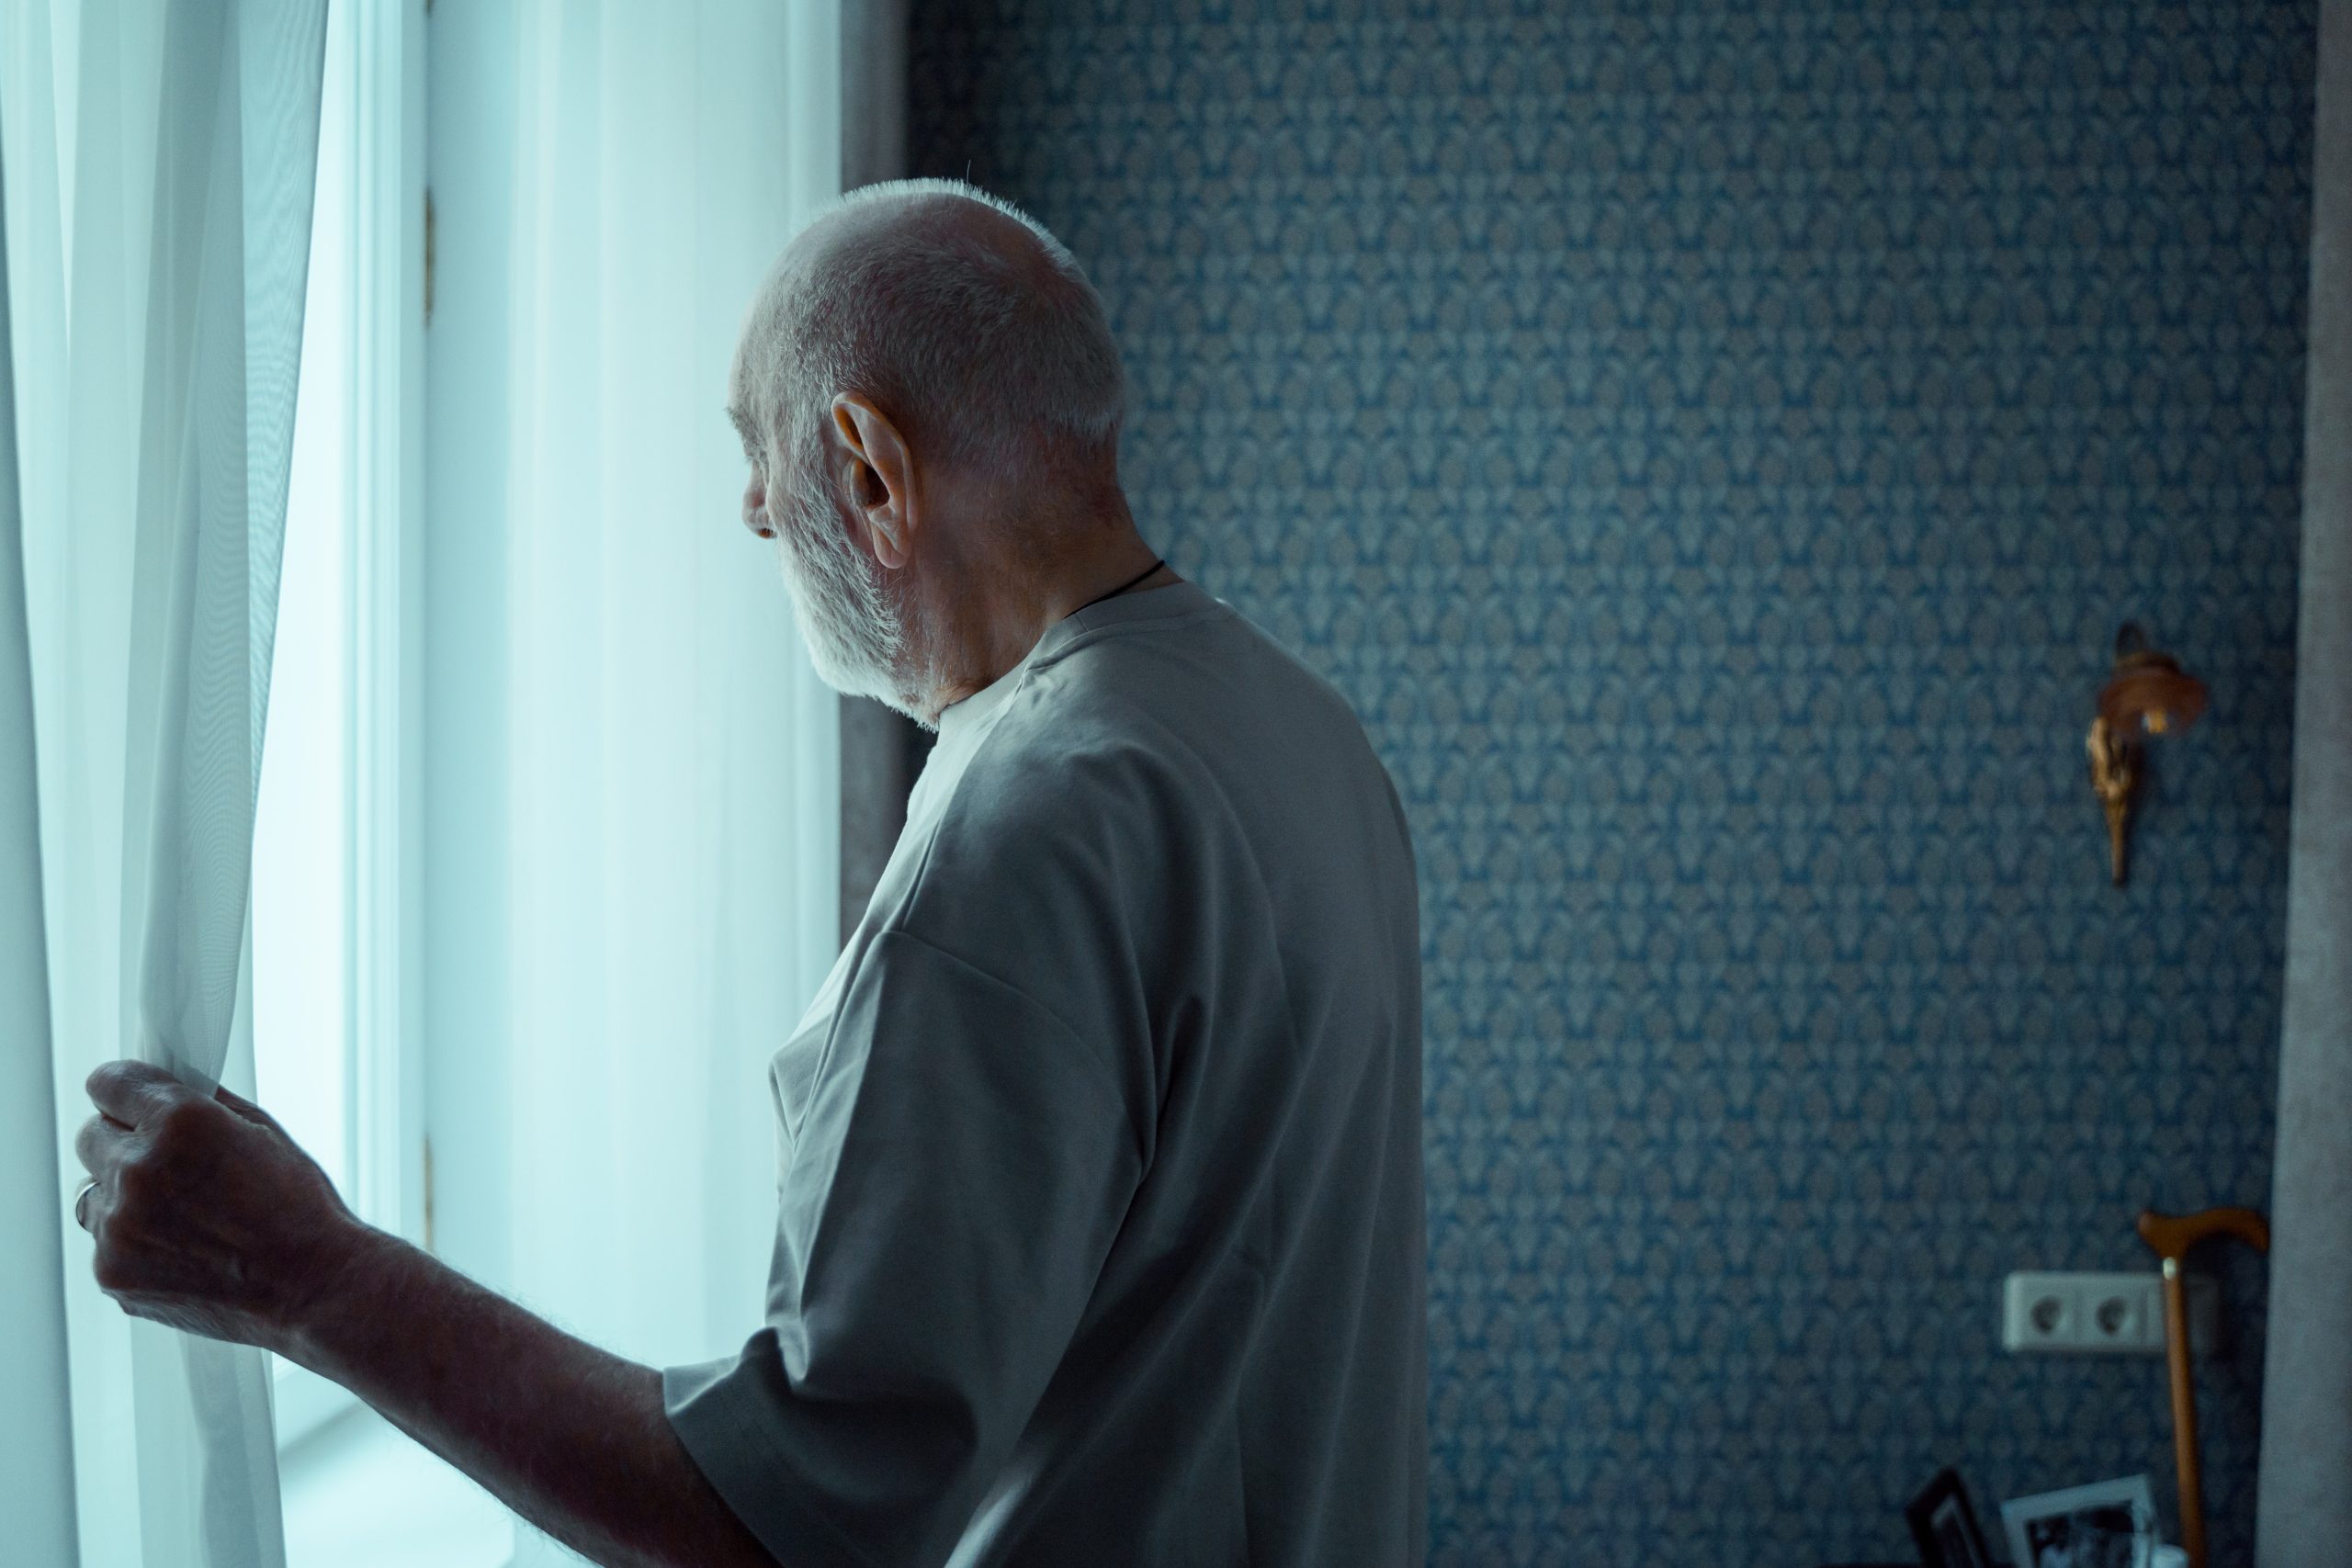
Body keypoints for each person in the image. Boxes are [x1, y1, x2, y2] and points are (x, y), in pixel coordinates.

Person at [73, 179, 1426, 1567]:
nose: (754, 510)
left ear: (870, 468)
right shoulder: (1303, 732)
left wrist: (309, 1273)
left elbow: (788, 1529)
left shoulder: (1024, 827)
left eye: (757, 445)